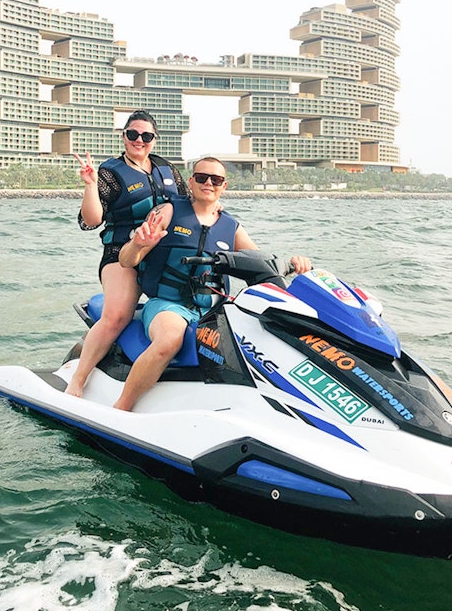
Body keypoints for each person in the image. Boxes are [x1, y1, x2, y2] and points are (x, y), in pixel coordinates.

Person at [113, 157, 312, 411]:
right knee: (169, 341)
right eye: (202, 178)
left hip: (212, 312)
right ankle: (122, 407)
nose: (208, 183)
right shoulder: (168, 212)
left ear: (224, 185)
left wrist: (295, 264)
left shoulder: (231, 227)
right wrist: (138, 244)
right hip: (168, 305)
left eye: (215, 180)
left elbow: (263, 265)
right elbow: (126, 260)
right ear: (191, 182)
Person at [66, 110, 187, 398]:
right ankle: (77, 381)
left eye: (146, 136)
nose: (139, 140)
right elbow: (92, 220)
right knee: (117, 316)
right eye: (133, 134)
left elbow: (186, 207)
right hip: (122, 254)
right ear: (124, 136)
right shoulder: (109, 172)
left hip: (164, 254)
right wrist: (89, 185)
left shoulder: (167, 169)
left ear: (154, 140)